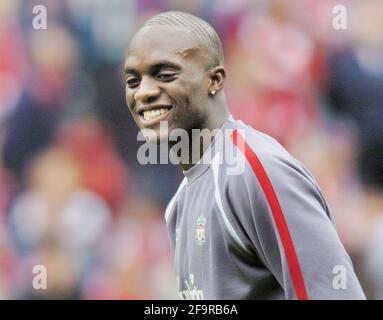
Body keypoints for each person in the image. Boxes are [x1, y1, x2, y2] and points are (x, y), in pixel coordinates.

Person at [123, 11, 366, 300]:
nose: (144, 92)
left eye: (164, 74)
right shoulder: (181, 201)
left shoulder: (255, 170)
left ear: (214, 80)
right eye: (133, 80)